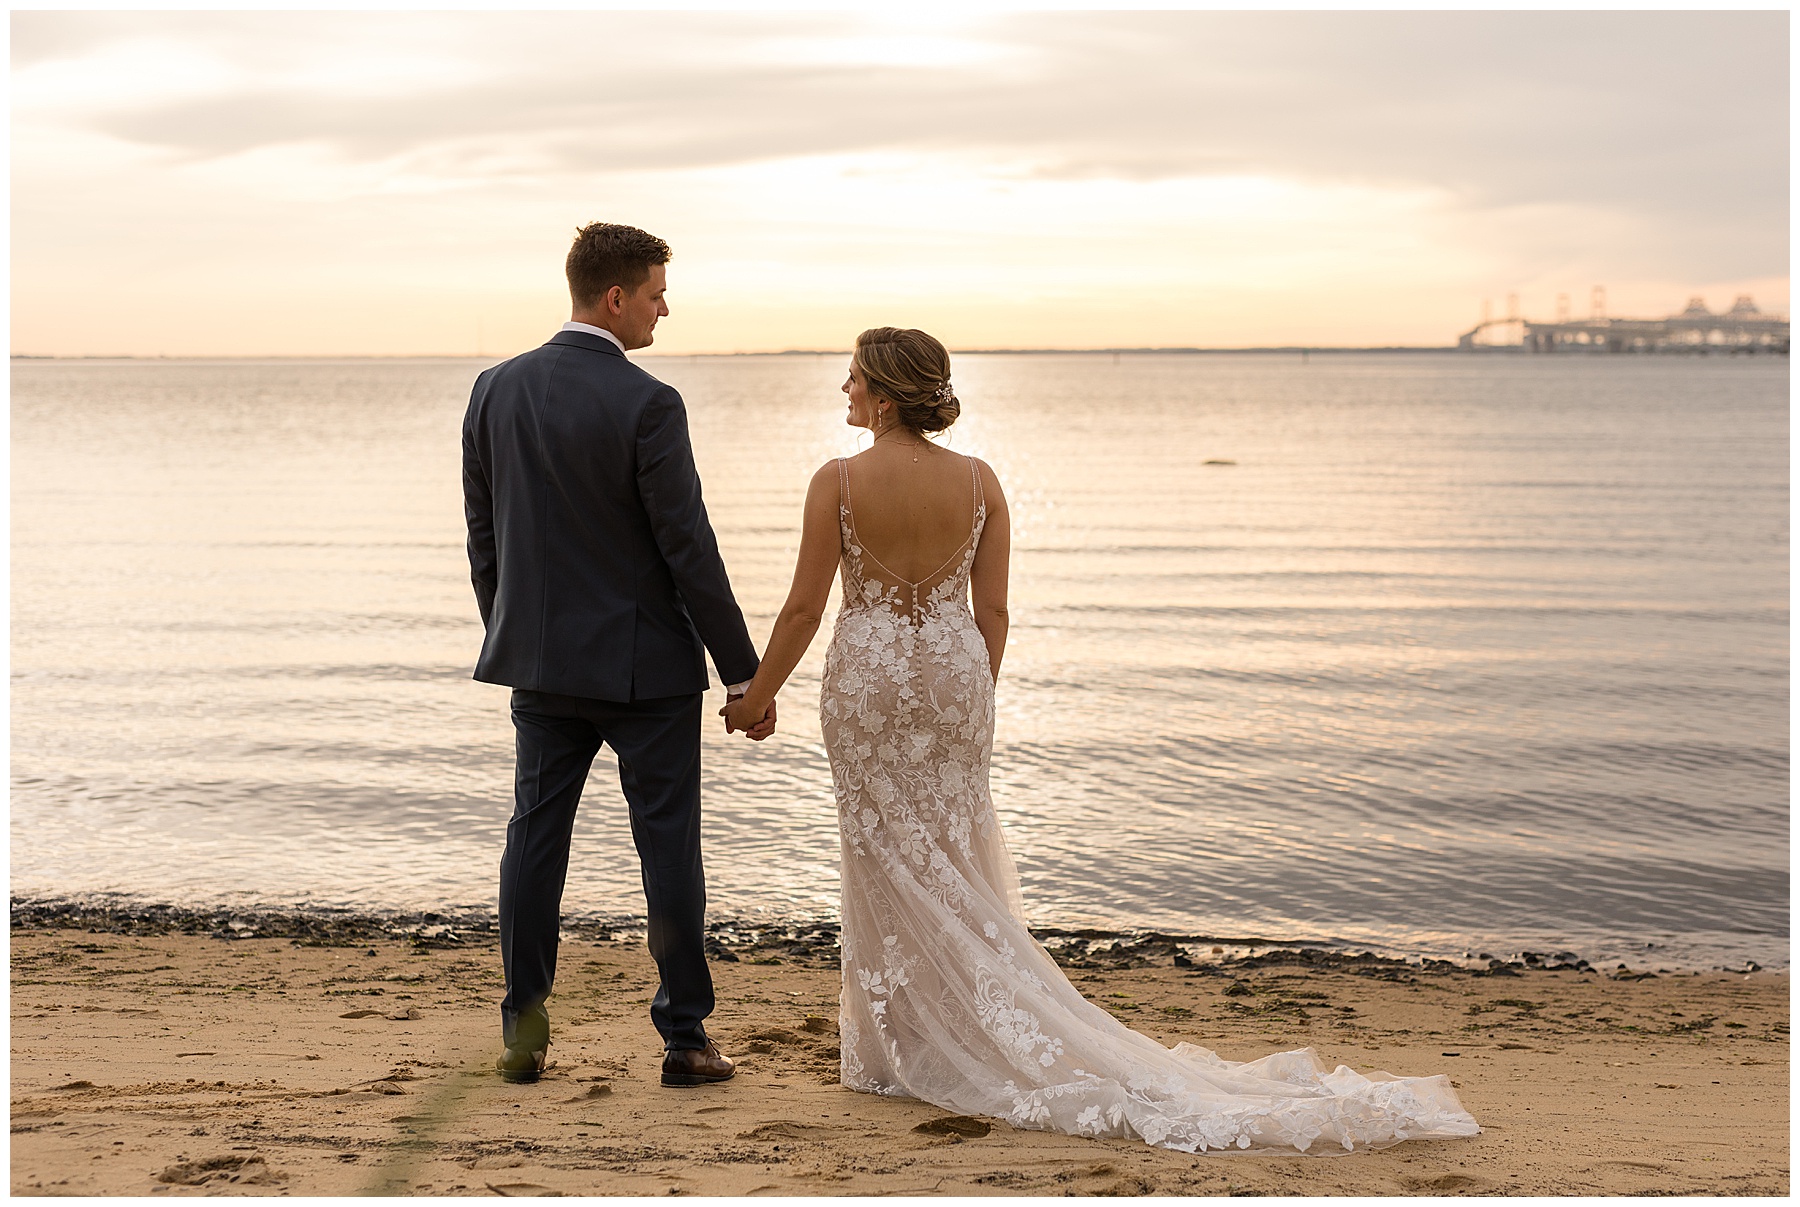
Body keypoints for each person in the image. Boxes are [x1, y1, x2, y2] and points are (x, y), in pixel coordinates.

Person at [721, 327, 1480, 1153]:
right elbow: (995, 612)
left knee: (883, 855)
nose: (845, 389)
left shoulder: (834, 481)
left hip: (866, 682)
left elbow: (803, 609)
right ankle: (935, 1031)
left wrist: (759, 695)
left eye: (855, 378)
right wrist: (974, 693)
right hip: (953, 676)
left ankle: (892, 1047)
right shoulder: (981, 482)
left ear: (887, 393)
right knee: (951, 847)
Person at [463, 222, 772, 1087]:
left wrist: (515, 632)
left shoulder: (492, 390)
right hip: (647, 675)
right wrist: (742, 672)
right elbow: (689, 546)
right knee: (668, 850)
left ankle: (523, 1037)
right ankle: (684, 1037)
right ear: (615, 298)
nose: (663, 308)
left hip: (540, 665)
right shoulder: (649, 403)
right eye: (656, 293)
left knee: (533, 841)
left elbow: (484, 539)